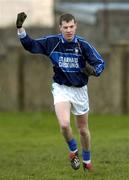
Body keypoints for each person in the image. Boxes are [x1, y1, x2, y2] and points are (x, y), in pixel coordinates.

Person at [16, 12, 105, 171]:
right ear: (60, 28)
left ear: (76, 26)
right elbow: (31, 45)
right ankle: (73, 151)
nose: (69, 30)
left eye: (71, 26)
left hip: (80, 90)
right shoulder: (53, 42)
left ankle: (87, 161)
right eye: (65, 27)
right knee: (64, 125)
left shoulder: (82, 45)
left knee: (83, 130)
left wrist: (94, 71)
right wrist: (20, 28)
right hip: (61, 88)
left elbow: (100, 63)